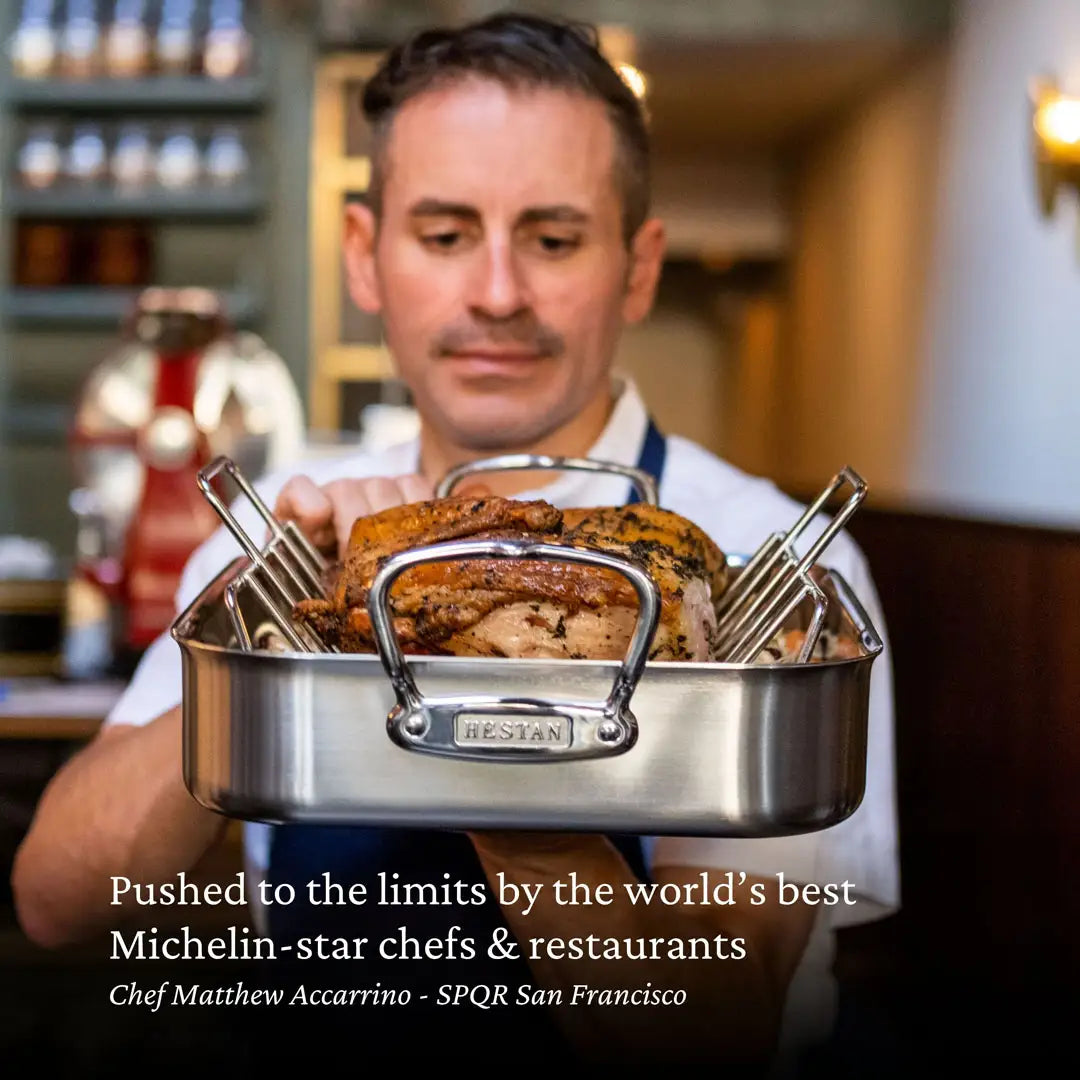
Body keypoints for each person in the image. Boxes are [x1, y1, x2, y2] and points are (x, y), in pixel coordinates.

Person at [11, 12, 898, 1070]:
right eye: (443, 235)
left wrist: (485, 742)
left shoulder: (767, 565)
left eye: (554, 238)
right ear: (365, 256)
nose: (495, 293)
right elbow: (59, 899)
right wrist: (273, 654)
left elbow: (714, 1036)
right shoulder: (299, 549)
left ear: (639, 266)